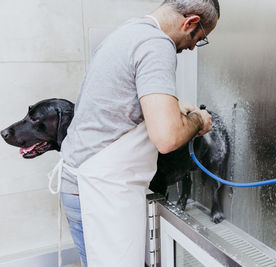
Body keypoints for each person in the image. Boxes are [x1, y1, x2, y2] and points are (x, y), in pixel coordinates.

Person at [58, 0, 220, 266]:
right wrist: (198, 121)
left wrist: (176, 105)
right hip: (101, 191)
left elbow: (120, 98)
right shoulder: (157, 44)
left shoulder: (128, 32)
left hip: (80, 182)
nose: (192, 48)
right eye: (198, 39)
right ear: (189, 22)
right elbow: (167, 138)